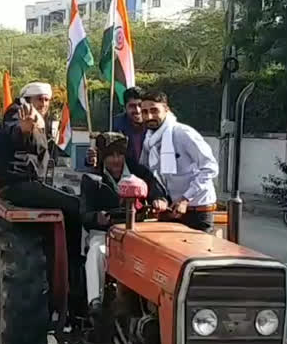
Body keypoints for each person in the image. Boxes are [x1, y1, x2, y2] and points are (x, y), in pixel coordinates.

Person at [0, 81, 82, 256]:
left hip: (31, 182)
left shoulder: (37, 120)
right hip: (17, 185)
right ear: (27, 99)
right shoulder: (18, 112)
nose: (44, 104)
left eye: (47, 100)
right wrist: (24, 130)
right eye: (40, 99)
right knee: (75, 206)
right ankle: (72, 267)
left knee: (73, 193)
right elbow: (16, 132)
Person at [81, 132, 159, 316]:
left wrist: (160, 200)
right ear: (102, 157)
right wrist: (96, 217)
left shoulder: (141, 173)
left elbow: (158, 192)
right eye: (110, 155)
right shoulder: (92, 180)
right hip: (105, 235)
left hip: (138, 234)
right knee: (96, 252)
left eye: (119, 154)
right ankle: (95, 303)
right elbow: (83, 214)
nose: (116, 160)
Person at [137, 91, 219, 232]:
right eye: (144, 112)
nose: (149, 116)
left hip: (197, 209)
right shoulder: (149, 140)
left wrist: (185, 199)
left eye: (154, 110)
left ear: (166, 110)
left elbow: (210, 167)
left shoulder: (182, 133)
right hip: (171, 209)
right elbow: (147, 174)